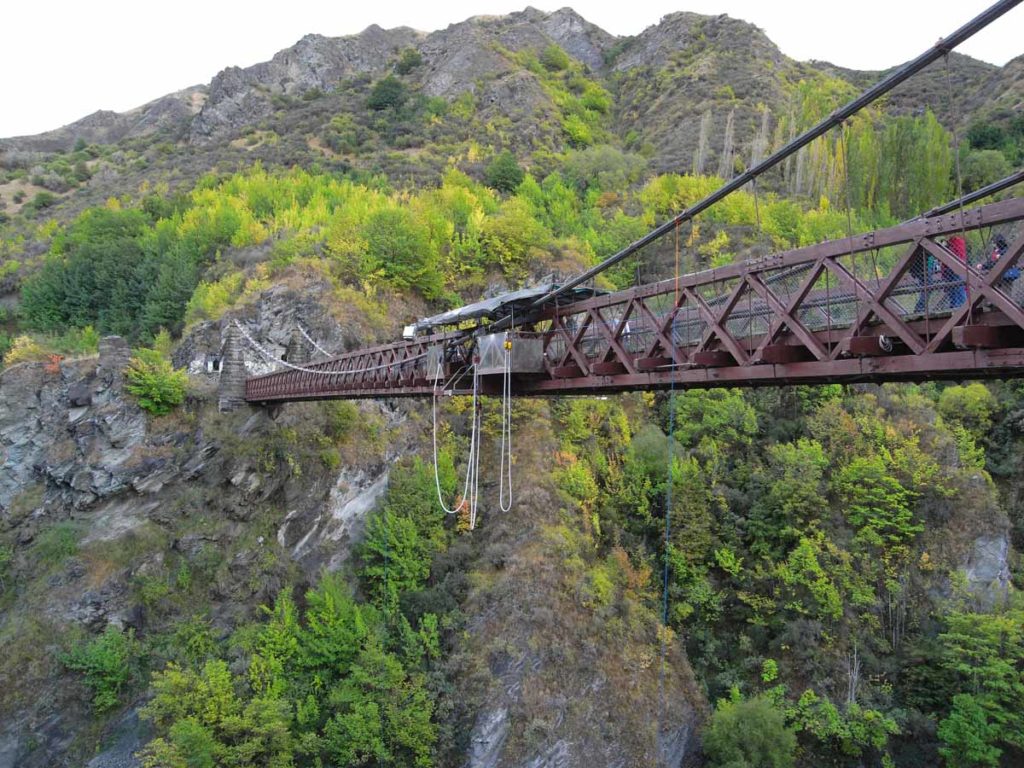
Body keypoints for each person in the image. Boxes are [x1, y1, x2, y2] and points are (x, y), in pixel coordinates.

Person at [943, 236, 968, 308]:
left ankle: (962, 306)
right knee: (953, 289)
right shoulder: (952, 242)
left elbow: (958, 255)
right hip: (951, 269)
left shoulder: (956, 241)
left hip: (956, 268)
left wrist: (947, 247)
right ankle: (955, 305)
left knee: (959, 288)